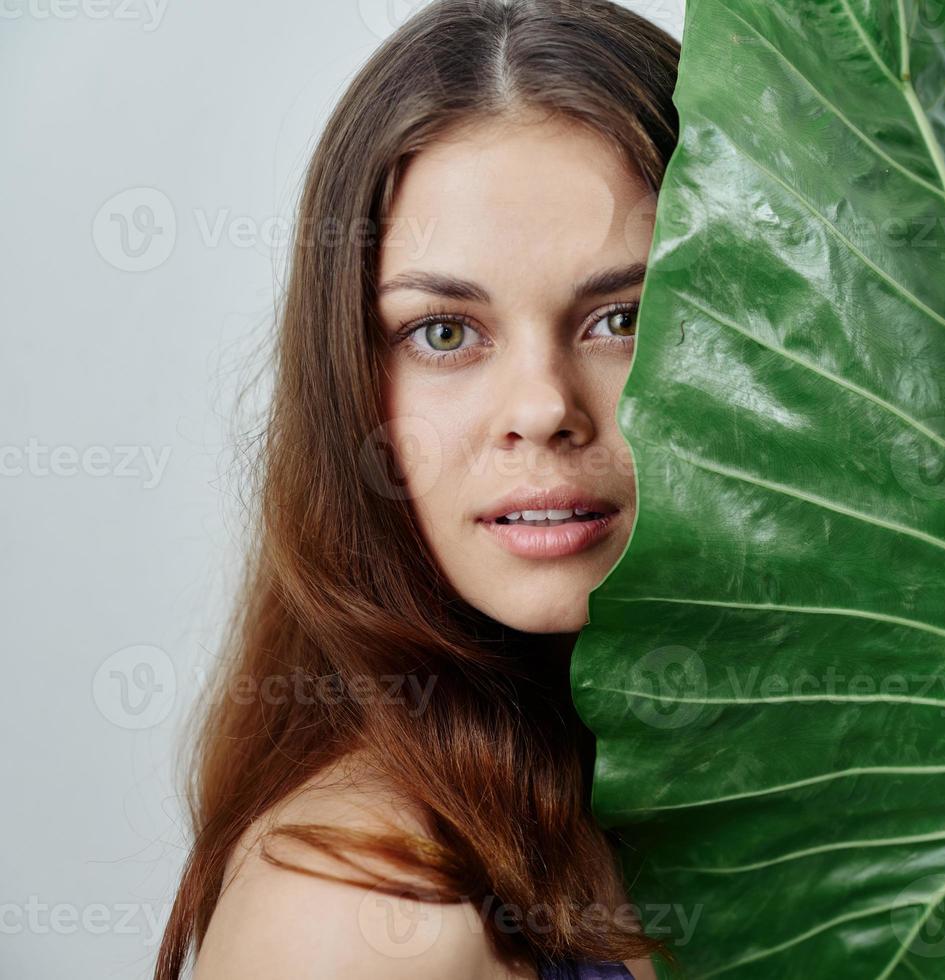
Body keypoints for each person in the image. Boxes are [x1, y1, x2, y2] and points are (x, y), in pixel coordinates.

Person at [153, 2, 682, 977]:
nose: (542, 407)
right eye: (443, 331)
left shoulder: (679, 793)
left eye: (622, 316)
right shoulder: (368, 914)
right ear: (355, 388)